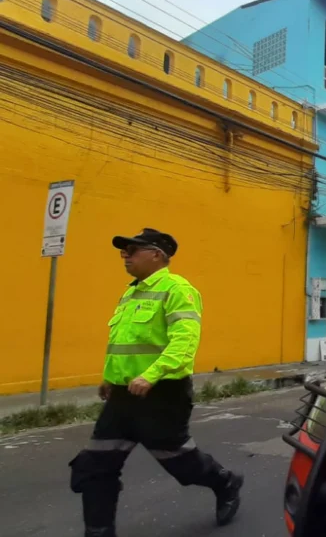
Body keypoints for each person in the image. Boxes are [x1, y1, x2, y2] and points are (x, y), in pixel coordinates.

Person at [69, 229, 244, 537]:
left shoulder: (178, 289)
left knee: (181, 463)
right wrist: (110, 379)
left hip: (162, 395)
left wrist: (151, 375)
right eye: (123, 252)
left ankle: (225, 481)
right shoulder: (130, 292)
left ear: (157, 255)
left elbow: (185, 342)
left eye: (131, 251)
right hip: (124, 396)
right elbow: (124, 342)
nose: (125, 257)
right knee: (95, 466)